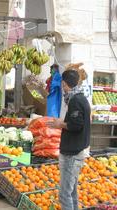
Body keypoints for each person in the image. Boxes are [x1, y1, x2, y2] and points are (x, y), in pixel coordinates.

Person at [46, 69, 91, 210]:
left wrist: (60, 124)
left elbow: (76, 125)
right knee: (71, 192)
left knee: (64, 194)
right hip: (75, 150)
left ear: (64, 84)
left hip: (72, 153)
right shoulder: (80, 98)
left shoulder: (76, 101)